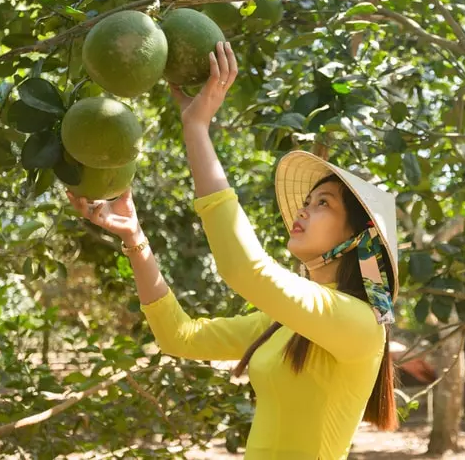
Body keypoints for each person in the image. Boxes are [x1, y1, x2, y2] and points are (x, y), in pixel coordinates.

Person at [66, 41, 401, 459]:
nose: (303, 210)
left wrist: (197, 129)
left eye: (324, 204)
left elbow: (246, 269)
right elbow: (179, 336)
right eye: (308, 200)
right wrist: (134, 237)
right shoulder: (285, 323)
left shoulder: (362, 325)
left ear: (359, 238)